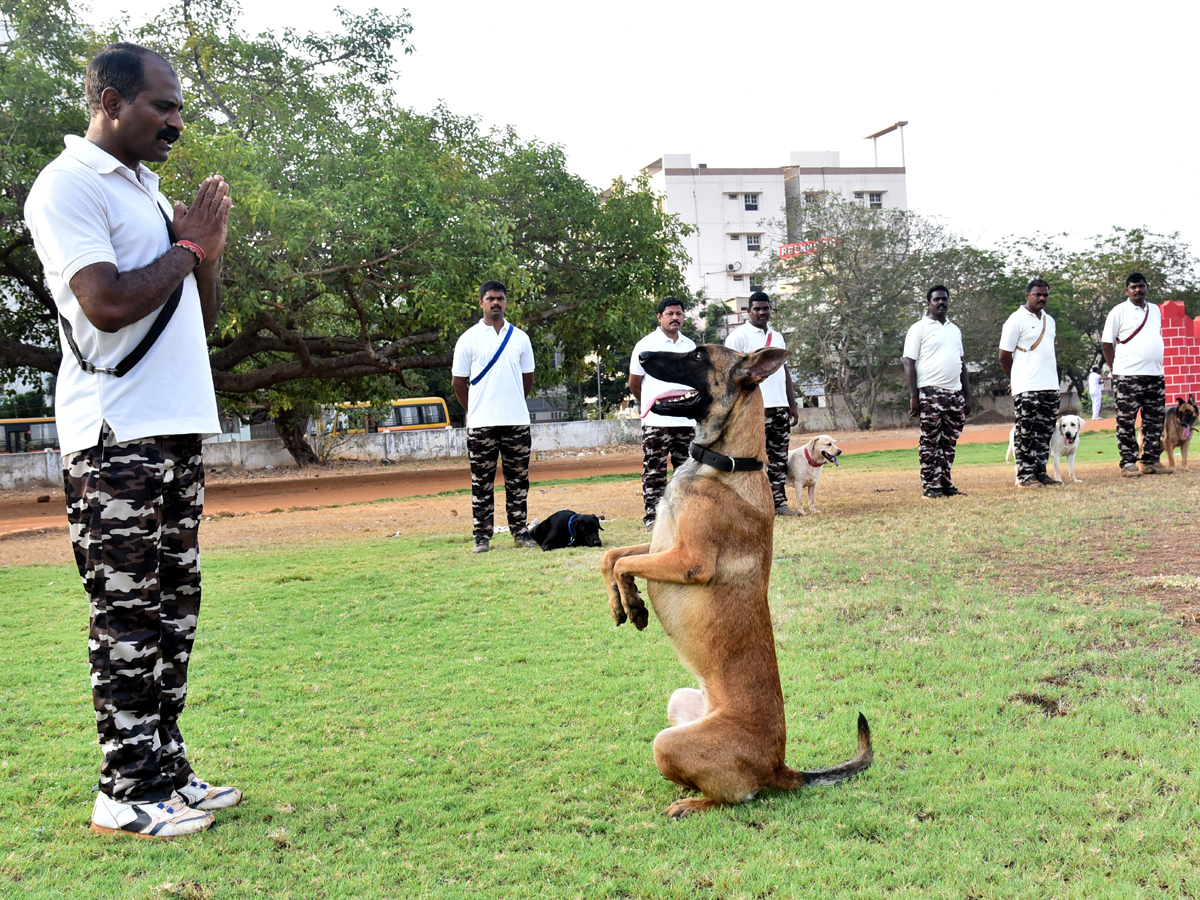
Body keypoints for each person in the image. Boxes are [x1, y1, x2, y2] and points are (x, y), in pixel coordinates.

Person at [24, 43, 240, 840]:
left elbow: (198, 318)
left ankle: (165, 771)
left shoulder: (147, 192)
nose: (177, 123)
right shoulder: (69, 185)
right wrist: (186, 249)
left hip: (174, 430)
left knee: (173, 613)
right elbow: (106, 303)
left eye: (179, 109)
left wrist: (201, 251)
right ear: (110, 102)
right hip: (118, 438)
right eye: (163, 107)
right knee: (126, 619)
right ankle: (123, 789)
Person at [452, 281, 539, 552]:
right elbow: (458, 383)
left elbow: (528, 379)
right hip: (481, 426)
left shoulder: (520, 338)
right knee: (482, 483)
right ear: (481, 303)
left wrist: (512, 403)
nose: (495, 303)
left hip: (516, 423)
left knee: (518, 481)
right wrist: (475, 410)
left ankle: (520, 531)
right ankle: (482, 536)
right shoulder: (469, 339)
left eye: (500, 298)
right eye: (490, 298)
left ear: (506, 302)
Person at [724, 291, 799, 515]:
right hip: (753, 408)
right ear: (748, 311)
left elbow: (785, 372)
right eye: (756, 309)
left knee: (779, 457)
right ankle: (752, 505)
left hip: (779, 407)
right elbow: (729, 374)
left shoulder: (777, 337)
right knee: (752, 458)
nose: (762, 312)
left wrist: (791, 405)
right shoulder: (738, 337)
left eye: (765, 308)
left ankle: (779, 503)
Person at [629, 298, 696, 530]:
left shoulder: (690, 345)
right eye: (669, 314)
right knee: (655, 470)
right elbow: (634, 383)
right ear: (660, 317)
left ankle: (684, 516)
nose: (675, 317)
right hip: (656, 421)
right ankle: (653, 519)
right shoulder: (646, 345)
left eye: (678, 313)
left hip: (686, 421)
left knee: (687, 470)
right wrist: (651, 405)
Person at [902, 285, 971, 499]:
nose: (941, 303)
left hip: (954, 393)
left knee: (949, 442)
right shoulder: (918, 328)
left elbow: (961, 363)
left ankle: (945, 483)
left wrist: (967, 396)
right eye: (936, 300)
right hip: (930, 393)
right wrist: (914, 396)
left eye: (944, 299)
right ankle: (931, 486)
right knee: (930, 441)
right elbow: (908, 362)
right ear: (928, 303)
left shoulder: (954, 329)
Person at [1102, 273, 1172, 476]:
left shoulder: (1156, 310)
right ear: (1126, 290)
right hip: (1128, 375)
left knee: (1155, 420)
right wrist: (1114, 369)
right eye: (1133, 287)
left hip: (1155, 374)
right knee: (1126, 421)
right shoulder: (1119, 311)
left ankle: (1151, 460)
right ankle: (1128, 462)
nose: (1137, 290)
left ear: (1147, 287)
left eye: (1141, 286)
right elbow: (1107, 343)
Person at [999, 279, 1061, 487]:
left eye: (1045, 295)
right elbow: (1004, 356)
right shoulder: (1015, 320)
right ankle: (1025, 475)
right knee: (1025, 431)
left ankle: (1040, 471)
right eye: (1037, 294)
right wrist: (1015, 380)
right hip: (1027, 386)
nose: (1042, 298)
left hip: (1050, 385)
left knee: (1045, 432)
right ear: (1027, 296)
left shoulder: (1049, 321)